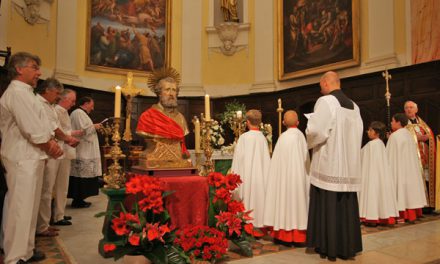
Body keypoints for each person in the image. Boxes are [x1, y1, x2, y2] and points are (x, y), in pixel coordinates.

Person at [0, 52, 63, 264]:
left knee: (27, 206)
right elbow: (32, 129)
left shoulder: (26, 93)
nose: (39, 73)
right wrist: (51, 146)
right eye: (35, 68)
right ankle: (15, 256)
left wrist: (49, 143)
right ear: (19, 68)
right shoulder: (17, 93)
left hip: (30, 155)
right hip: (22, 156)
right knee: (20, 206)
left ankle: (25, 249)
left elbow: (41, 124)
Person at [306, 71, 363, 261]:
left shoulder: (325, 101)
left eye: (320, 84)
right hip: (349, 165)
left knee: (328, 203)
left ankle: (328, 246)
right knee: (346, 204)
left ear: (325, 83)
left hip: (330, 163)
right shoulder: (354, 106)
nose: (320, 88)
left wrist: (308, 137)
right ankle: (347, 246)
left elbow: (317, 131)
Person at [35, 78, 80, 237]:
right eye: (57, 94)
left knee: (54, 188)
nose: (58, 97)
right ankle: (43, 224)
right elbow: (53, 129)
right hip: (49, 151)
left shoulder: (49, 107)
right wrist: (68, 138)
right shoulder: (45, 106)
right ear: (47, 90)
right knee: (47, 189)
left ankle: (46, 222)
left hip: (56, 150)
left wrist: (67, 138)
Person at [263, 110, 310, 245]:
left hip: (283, 182)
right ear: (298, 122)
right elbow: (306, 162)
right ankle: (298, 236)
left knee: (283, 202)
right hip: (297, 181)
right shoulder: (301, 137)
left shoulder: (282, 138)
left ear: (283, 123)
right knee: (297, 203)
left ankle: (282, 235)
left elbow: (275, 165)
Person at [136, 71, 191, 168]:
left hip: (178, 161)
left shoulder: (181, 118)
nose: (171, 94)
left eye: (174, 90)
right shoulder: (147, 117)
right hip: (154, 160)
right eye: (167, 90)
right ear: (159, 93)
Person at [231, 109, 270, 231]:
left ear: (247, 122)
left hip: (246, 177)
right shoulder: (262, 138)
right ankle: (260, 224)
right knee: (260, 198)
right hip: (260, 177)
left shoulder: (244, 138)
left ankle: (247, 226)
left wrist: (234, 177)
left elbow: (238, 159)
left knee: (247, 199)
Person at [387, 113, 427, 223]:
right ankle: (413, 214)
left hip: (399, 169)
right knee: (409, 192)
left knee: (400, 190)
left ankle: (401, 215)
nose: (391, 123)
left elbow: (389, 156)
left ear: (398, 122)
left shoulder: (394, 136)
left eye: (393, 121)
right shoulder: (408, 134)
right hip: (410, 169)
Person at [358, 121, 399, 226]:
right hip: (380, 176)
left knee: (372, 193)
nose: (368, 132)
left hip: (371, 177)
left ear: (377, 133)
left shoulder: (371, 145)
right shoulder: (380, 144)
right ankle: (381, 216)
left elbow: (360, 158)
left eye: (370, 130)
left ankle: (371, 217)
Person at [53, 89, 83, 223]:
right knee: (58, 185)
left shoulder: (63, 111)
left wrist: (73, 133)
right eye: (72, 100)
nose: (73, 103)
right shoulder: (56, 110)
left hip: (65, 151)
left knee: (63, 185)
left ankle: (60, 213)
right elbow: (56, 131)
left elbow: (65, 130)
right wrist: (70, 136)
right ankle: (57, 215)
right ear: (63, 99)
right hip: (59, 151)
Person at [68, 96, 102, 208]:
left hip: (86, 149)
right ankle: (77, 200)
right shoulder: (78, 113)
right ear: (86, 103)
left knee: (83, 175)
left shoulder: (81, 113)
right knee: (80, 176)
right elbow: (83, 130)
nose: (92, 108)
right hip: (82, 149)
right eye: (91, 105)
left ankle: (80, 199)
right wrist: (95, 126)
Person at [404, 101, 437, 212]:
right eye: (407, 108)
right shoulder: (403, 123)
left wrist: (427, 137)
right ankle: (419, 207)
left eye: (411, 107)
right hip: (412, 158)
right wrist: (417, 138)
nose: (409, 109)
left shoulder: (422, 123)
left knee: (426, 179)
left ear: (416, 110)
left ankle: (429, 205)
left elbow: (430, 134)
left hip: (425, 156)